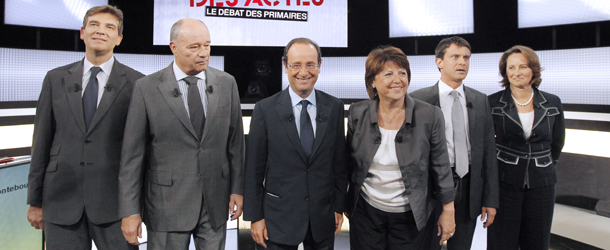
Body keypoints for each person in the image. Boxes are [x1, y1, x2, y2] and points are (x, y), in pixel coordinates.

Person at [118, 18, 245, 250]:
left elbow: (235, 143)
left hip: (215, 201)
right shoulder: (146, 88)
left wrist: (237, 188)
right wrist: (130, 211)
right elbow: (132, 156)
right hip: (167, 205)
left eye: (207, 45)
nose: (203, 53)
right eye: (194, 47)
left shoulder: (227, 83)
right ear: (173, 47)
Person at [26, 5, 144, 250]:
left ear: (119, 38)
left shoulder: (138, 83)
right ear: (82, 32)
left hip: (115, 207)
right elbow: (41, 142)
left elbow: (140, 151)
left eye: (109, 27)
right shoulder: (54, 79)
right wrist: (35, 201)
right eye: (94, 25)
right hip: (61, 203)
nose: (100, 31)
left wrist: (135, 209)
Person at [346, 45, 456, 249]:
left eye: (402, 73)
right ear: (372, 81)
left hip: (411, 216)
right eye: (388, 74)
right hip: (366, 214)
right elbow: (348, 165)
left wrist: (448, 210)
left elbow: (441, 167)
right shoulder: (357, 113)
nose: (397, 80)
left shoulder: (429, 115)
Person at [243, 37, 347, 250]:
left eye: (310, 64)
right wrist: (255, 217)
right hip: (277, 219)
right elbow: (253, 169)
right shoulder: (265, 110)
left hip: (322, 216)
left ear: (319, 66)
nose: (304, 71)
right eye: (296, 65)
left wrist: (338, 207)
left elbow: (339, 163)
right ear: (285, 66)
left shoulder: (335, 107)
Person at [411, 36, 499, 249]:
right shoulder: (417, 100)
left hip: (469, 188)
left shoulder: (480, 100)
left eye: (466, 58)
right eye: (455, 57)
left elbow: (488, 151)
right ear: (439, 62)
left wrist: (491, 199)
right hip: (431, 187)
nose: (462, 63)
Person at [487, 45, 565, 250]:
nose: (516, 72)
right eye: (511, 68)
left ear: (533, 70)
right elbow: (486, 146)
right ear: (505, 72)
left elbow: (557, 142)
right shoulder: (492, 103)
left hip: (542, 184)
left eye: (522, 67)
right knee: (502, 242)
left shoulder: (553, 102)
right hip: (505, 183)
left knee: (537, 242)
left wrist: (543, 165)